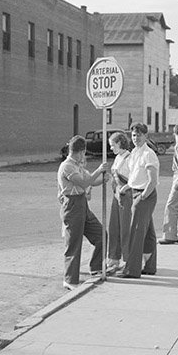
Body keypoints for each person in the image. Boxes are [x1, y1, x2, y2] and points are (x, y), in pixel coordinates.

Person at [57, 135, 110, 290]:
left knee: (101, 235)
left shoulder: (77, 165)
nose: (83, 156)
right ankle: (70, 279)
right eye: (83, 153)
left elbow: (91, 180)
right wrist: (99, 170)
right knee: (73, 243)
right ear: (80, 152)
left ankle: (95, 267)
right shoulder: (67, 166)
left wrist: (103, 178)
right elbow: (84, 182)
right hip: (72, 205)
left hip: (82, 204)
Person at [121, 123, 159, 278]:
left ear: (146, 136)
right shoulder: (134, 153)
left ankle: (132, 270)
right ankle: (150, 266)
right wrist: (127, 187)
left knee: (136, 232)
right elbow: (134, 176)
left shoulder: (148, 154)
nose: (136, 138)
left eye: (139, 135)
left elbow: (152, 180)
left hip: (145, 195)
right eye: (134, 135)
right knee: (148, 232)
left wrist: (143, 196)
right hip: (136, 192)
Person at [106, 132, 133, 269]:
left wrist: (126, 187)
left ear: (120, 143)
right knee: (114, 226)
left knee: (125, 228)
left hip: (126, 195)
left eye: (113, 145)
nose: (111, 148)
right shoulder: (117, 158)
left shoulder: (130, 158)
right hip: (116, 196)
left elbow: (135, 178)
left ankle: (128, 259)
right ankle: (113, 257)